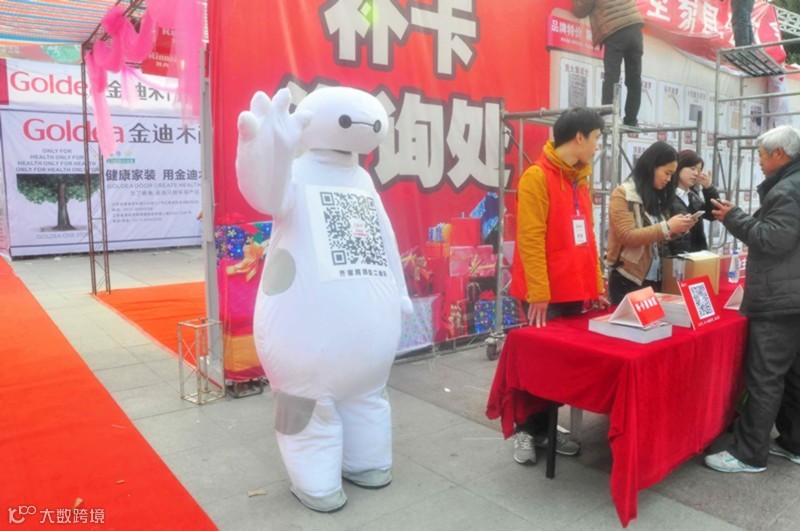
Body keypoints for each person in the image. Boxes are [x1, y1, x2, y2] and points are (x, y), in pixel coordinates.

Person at [509, 107, 610, 465]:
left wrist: (595, 284)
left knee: (559, 370)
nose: (597, 146)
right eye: (596, 138)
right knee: (537, 366)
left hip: (573, 291)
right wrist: (538, 292)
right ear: (579, 137)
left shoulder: (580, 177)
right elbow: (530, 240)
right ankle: (525, 429)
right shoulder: (536, 177)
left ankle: (547, 431)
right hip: (544, 296)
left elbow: (588, 235)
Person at [704, 125, 800, 473]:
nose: (758, 161)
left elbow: (774, 240)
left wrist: (733, 217)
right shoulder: (792, 183)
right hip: (792, 293)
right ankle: (793, 442)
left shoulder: (787, 189)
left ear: (779, 154)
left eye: (761, 154)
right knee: (792, 375)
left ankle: (748, 453)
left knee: (765, 377)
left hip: (780, 297)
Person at [605, 141, 696, 304]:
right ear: (651, 166)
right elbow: (627, 236)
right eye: (666, 173)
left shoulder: (657, 195)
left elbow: (655, 237)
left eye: (672, 174)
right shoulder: (623, 194)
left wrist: (677, 230)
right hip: (628, 279)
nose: (669, 179)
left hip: (655, 278)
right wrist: (667, 227)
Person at [572, 0, 644, 126]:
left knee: (612, 75)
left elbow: (580, 10)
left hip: (615, 30)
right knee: (634, 78)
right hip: (635, 28)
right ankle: (631, 119)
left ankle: (608, 114)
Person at [666, 150, 720, 255]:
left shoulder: (693, 196)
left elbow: (713, 214)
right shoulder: (667, 196)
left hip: (697, 256)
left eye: (699, 170)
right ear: (679, 167)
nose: (696, 173)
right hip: (676, 257)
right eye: (692, 168)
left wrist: (709, 188)